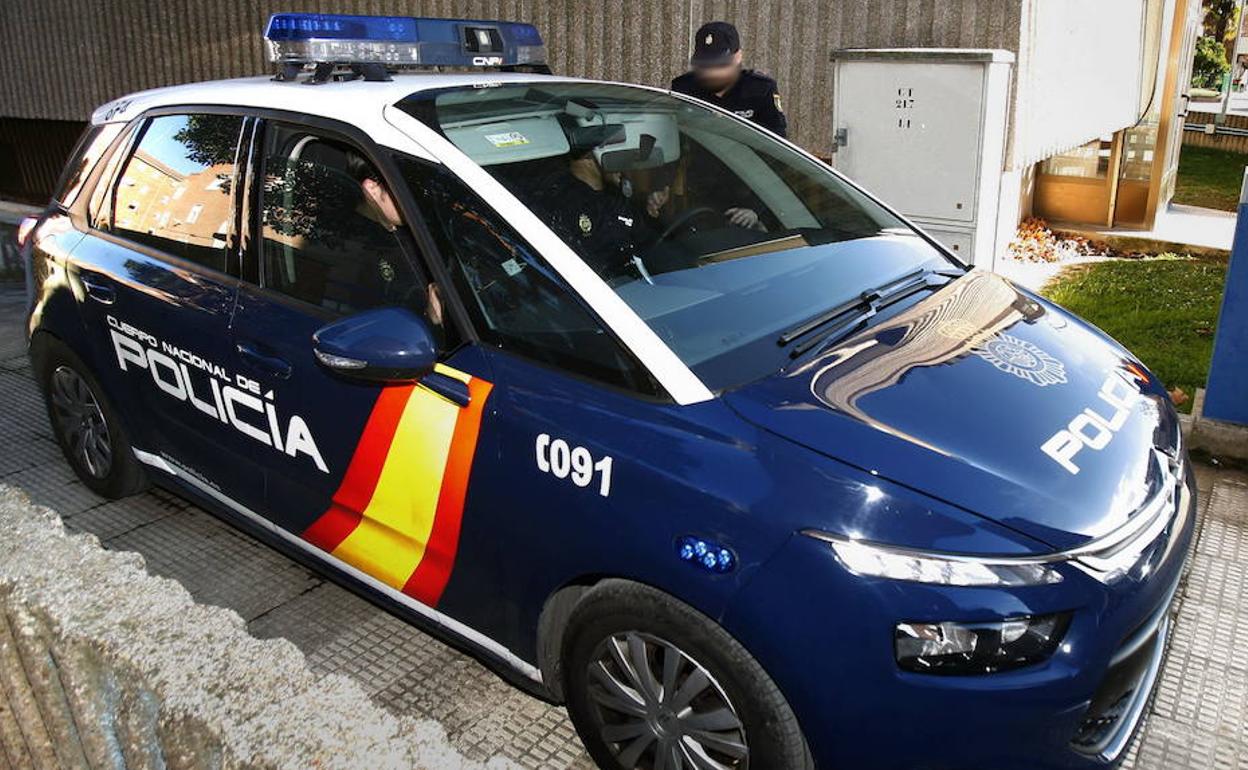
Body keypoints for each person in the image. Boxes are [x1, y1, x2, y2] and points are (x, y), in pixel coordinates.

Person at [345, 152, 447, 336]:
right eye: (407, 189)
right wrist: (430, 317)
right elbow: (369, 330)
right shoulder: (352, 246)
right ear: (372, 189)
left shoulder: (412, 229)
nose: (417, 198)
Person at [671, 21, 787, 138]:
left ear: (738, 57)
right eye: (705, 63)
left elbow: (777, 139)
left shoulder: (760, 90)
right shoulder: (683, 89)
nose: (712, 71)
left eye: (720, 63)